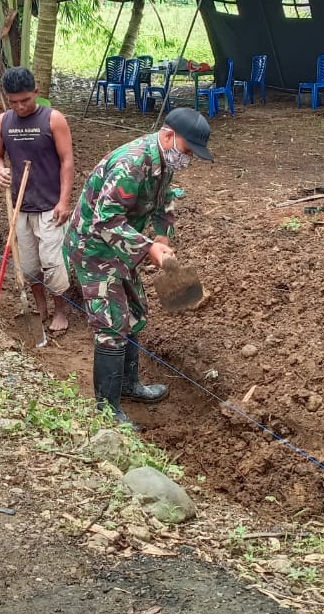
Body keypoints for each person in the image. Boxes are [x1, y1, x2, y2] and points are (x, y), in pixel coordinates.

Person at [64, 107, 214, 427]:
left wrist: (163, 235)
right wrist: (149, 249)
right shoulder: (131, 164)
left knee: (135, 311)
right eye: (188, 150)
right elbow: (105, 220)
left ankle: (129, 385)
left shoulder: (164, 159)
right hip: (92, 247)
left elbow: (165, 198)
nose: (187, 159)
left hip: (119, 245)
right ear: (168, 135)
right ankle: (106, 409)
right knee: (112, 323)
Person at [0, 66, 75, 332]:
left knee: (53, 262)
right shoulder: (3, 122)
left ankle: (60, 310)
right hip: (20, 207)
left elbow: (67, 161)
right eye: (13, 102)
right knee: (28, 263)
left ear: (36, 92)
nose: (20, 106)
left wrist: (64, 201)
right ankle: (40, 308)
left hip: (50, 206)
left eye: (25, 100)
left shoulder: (53, 119)